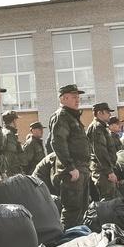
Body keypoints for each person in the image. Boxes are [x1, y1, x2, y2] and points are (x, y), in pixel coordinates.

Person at [48, 84, 91, 228]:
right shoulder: (62, 116)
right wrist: (70, 167)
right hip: (73, 170)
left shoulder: (72, 116)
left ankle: (77, 240)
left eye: (78, 97)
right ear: (64, 98)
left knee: (82, 209)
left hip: (81, 169)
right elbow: (58, 142)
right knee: (72, 210)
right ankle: (66, 242)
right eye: (74, 97)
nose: (77, 100)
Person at [87, 101, 120, 200]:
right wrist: (109, 172)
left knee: (111, 199)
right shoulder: (97, 127)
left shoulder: (101, 127)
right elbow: (100, 151)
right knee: (107, 199)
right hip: (101, 170)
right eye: (107, 112)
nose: (110, 114)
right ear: (99, 113)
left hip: (104, 169)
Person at [0, 111, 25, 176]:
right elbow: (10, 156)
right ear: (13, 121)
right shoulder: (9, 134)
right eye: (16, 120)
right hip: (12, 173)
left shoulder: (3, 132)